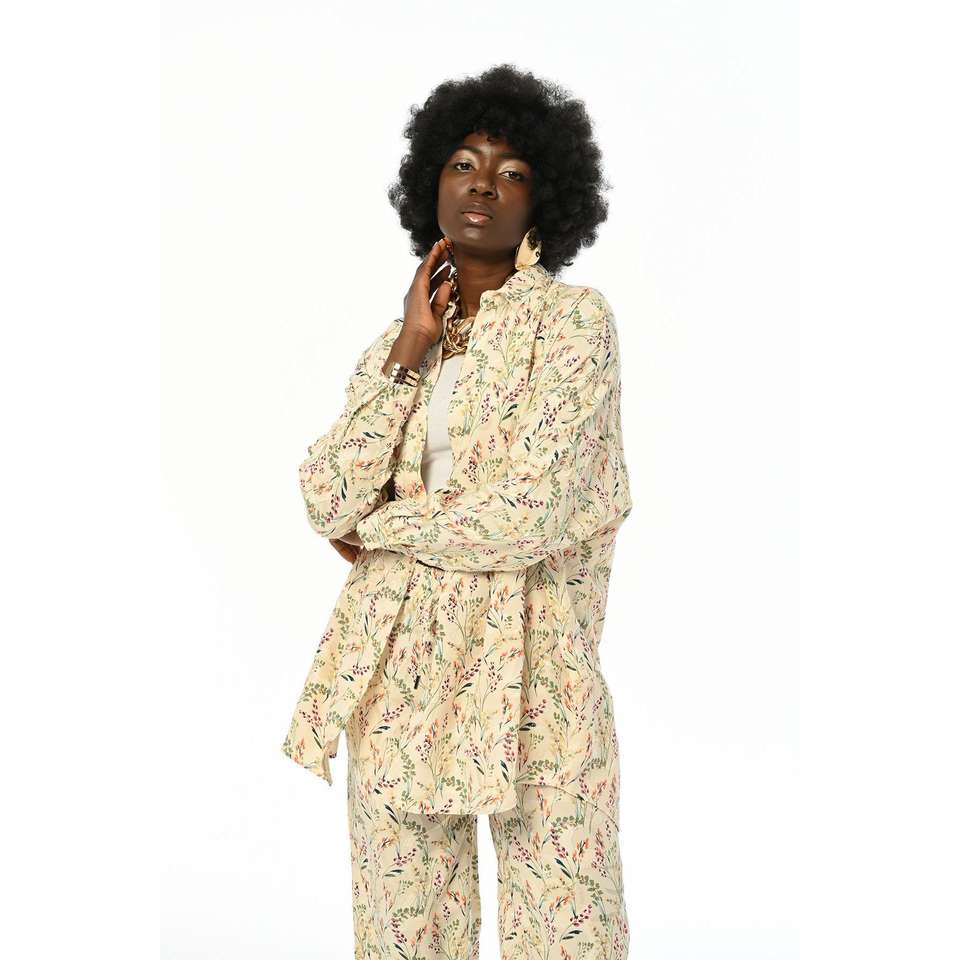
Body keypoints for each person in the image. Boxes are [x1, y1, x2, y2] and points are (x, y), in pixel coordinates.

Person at [282, 64, 633, 960]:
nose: (482, 184)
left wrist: (383, 530)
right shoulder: (396, 347)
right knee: (404, 932)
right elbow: (325, 495)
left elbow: (529, 513)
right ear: (429, 185)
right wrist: (412, 342)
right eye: (463, 164)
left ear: (545, 198)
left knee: (565, 926)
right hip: (400, 663)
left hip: (537, 666)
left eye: (512, 172)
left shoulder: (574, 325)